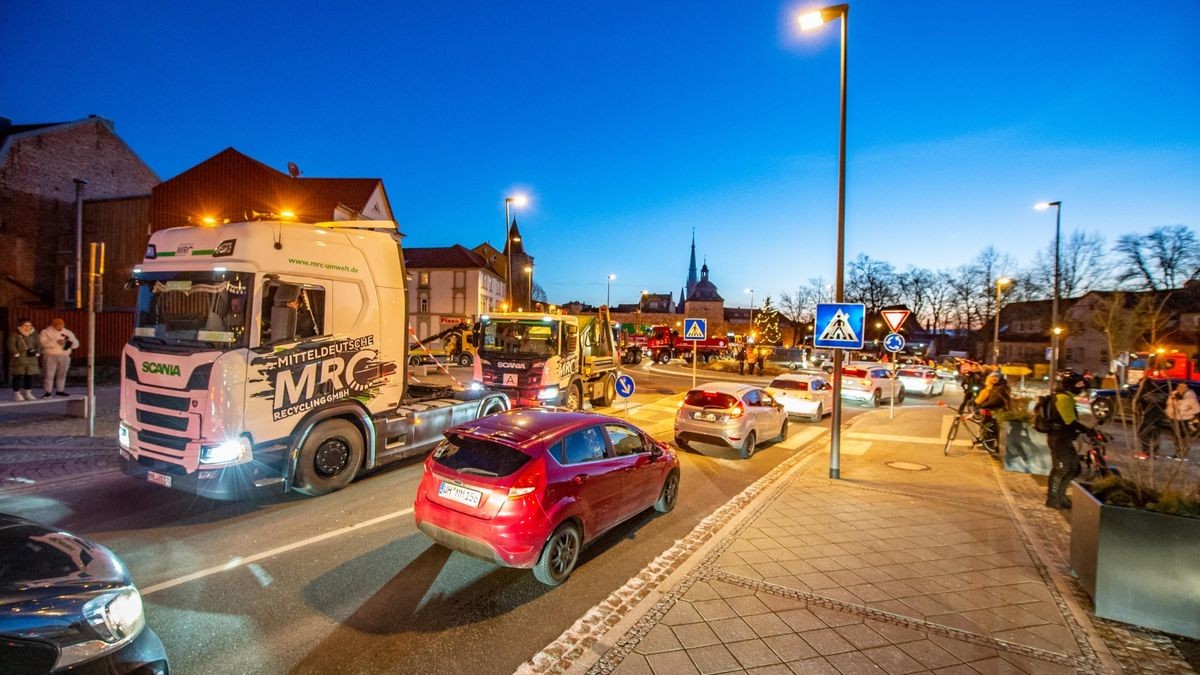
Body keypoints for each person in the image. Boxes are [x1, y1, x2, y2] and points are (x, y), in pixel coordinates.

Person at [1045, 371, 1094, 509]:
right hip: (1058, 438)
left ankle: (1061, 496)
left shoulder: (1068, 398)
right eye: (1079, 384)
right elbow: (1069, 421)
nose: (1081, 387)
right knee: (1060, 468)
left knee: (1073, 468)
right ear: (1070, 385)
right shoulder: (1063, 398)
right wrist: (1087, 430)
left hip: (1064, 438)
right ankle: (1053, 499)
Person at [39, 318, 79, 398]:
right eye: (58, 326)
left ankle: (60, 391)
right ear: (53, 326)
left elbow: (76, 344)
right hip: (50, 355)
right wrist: (55, 342)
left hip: (64, 355)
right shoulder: (46, 332)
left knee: (62, 374)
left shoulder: (67, 332)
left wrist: (68, 343)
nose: (60, 327)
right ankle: (48, 392)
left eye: (61, 326)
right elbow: (42, 343)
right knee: (49, 374)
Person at [974, 372, 1010, 451]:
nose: (994, 378)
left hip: (998, 410)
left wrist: (983, 405)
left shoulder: (1002, 387)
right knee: (986, 426)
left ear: (1000, 378)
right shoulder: (993, 386)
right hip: (991, 409)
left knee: (994, 429)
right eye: (992, 377)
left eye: (996, 377)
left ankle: (994, 447)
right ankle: (986, 443)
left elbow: (996, 400)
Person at [1133, 377, 1167, 460]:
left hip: (1149, 416)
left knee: (1142, 433)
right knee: (1155, 434)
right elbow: (1165, 403)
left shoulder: (1145, 392)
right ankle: (1153, 452)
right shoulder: (1160, 392)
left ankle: (1146, 452)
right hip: (1159, 416)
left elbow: (1137, 402)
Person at [7, 318, 41, 401]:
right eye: (25, 325)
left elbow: (38, 344)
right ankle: (17, 393)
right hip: (19, 358)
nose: (28, 327)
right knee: (18, 376)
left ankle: (28, 393)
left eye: (29, 325)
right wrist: (16, 353)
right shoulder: (15, 334)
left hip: (31, 358)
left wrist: (38, 352)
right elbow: (11, 344)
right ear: (21, 326)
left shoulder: (34, 334)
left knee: (29, 376)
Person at [1165, 382, 1200, 460]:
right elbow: (1169, 404)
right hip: (1174, 418)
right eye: (1179, 386)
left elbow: (1197, 409)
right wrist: (1169, 412)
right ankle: (1177, 453)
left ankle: (1182, 454)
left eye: (1183, 387)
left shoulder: (1191, 397)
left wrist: (1185, 413)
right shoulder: (1173, 394)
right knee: (1176, 437)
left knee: (1183, 437)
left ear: (1187, 388)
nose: (1180, 388)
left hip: (1184, 420)